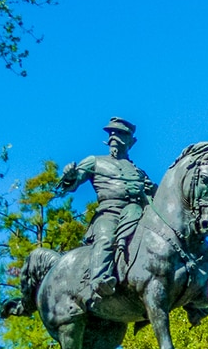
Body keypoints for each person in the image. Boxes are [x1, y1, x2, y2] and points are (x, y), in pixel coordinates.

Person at [57, 116, 156, 301]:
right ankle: (99, 281)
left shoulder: (138, 171)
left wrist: (152, 190)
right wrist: (69, 176)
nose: (114, 135)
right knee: (106, 238)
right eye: (111, 132)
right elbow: (72, 184)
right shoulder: (94, 161)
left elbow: (154, 200)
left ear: (131, 141)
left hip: (137, 214)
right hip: (109, 213)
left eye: (120, 133)